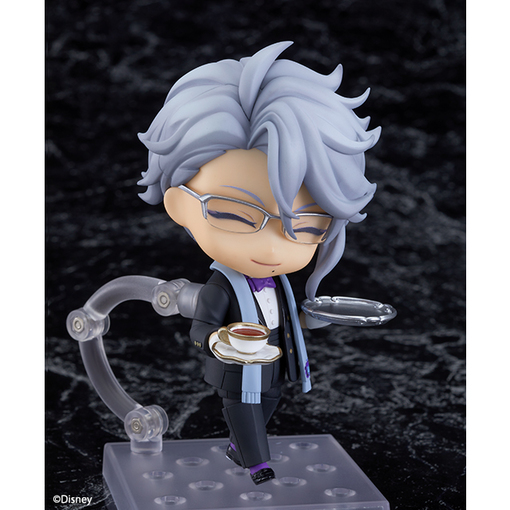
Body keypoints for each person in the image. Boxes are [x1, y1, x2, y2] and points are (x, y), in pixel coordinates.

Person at [137, 41, 381, 484]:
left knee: (267, 403)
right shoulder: (220, 287)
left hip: (274, 365)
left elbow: (289, 322)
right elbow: (199, 329)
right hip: (235, 369)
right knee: (245, 409)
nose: (272, 248)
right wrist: (219, 341)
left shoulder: (281, 285)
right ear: (180, 206)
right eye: (235, 215)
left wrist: (315, 319)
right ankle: (258, 464)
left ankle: (240, 447)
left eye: (305, 225)